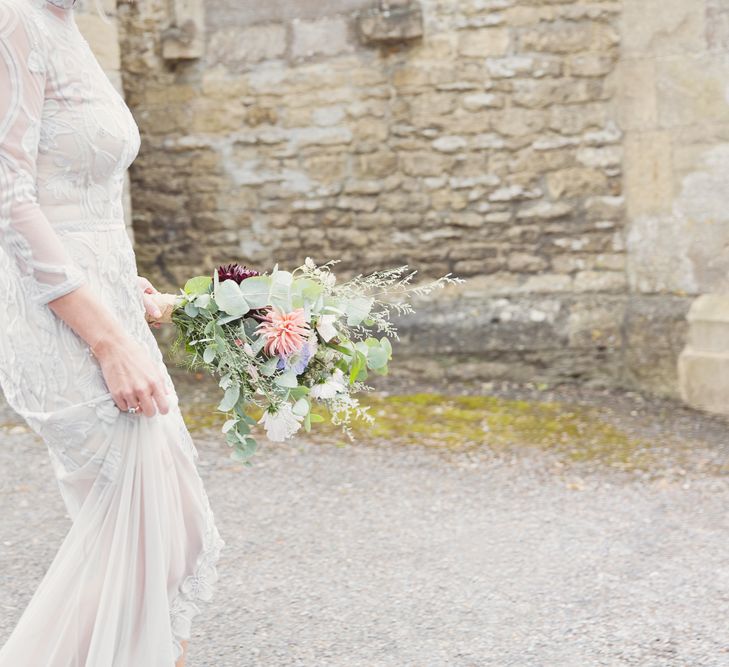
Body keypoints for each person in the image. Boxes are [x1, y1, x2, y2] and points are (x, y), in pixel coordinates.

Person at [0, 0, 225, 664]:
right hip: (69, 330)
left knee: (168, 534)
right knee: (146, 535)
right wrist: (107, 339)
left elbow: (78, 198)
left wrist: (130, 291)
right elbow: (10, 198)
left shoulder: (68, 26)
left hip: (110, 306)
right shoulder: (15, 19)